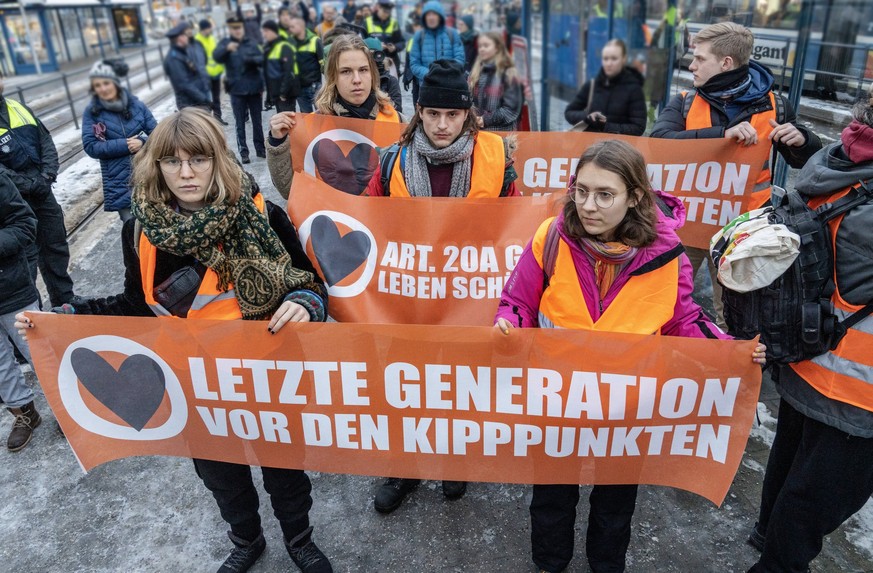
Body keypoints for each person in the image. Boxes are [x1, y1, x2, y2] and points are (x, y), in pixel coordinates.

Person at [15, 108, 332, 573]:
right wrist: (64, 316)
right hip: (195, 382)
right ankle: (246, 540)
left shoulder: (262, 215)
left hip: (268, 375)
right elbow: (135, 306)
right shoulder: (141, 232)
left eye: (198, 159)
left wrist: (305, 300)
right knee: (220, 474)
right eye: (172, 161)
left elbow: (312, 282)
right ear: (156, 167)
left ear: (217, 160)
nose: (186, 173)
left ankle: (299, 540)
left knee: (285, 468)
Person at [493, 139, 766, 573]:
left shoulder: (668, 256)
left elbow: (682, 321)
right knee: (551, 494)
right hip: (557, 399)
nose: (587, 205)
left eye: (604, 195)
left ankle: (606, 565)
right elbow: (519, 300)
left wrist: (729, 351)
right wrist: (508, 322)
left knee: (615, 500)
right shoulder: (551, 236)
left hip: (627, 405)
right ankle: (549, 563)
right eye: (580, 191)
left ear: (635, 196)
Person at [746, 88, 873, 573]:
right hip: (858, 390)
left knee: (790, 463)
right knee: (814, 499)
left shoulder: (841, 162)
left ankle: (765, 534)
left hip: (810, 351)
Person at [650, 22, 821, 329]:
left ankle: (720, 369)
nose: (692, 65)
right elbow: (660, 142)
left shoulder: (775, 106)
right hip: (689, 223)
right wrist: (721, 134)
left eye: (700, 58)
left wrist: (804, 140)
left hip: (743, 230)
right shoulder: (686, 101)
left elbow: (803, 161)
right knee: (665, 302)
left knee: (731, 312)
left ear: (726, 62)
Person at [266, 34, 401, 199]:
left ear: (372, 74)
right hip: (333, 222)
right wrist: (277, 143)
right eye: (346, 71)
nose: (357, 80)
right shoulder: (313, 126)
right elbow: (290, 190)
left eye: (363, 70)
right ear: (332, 77)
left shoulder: (397, 122)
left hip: (378, 222)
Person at [0, 70, 75, 307]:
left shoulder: (17, 107)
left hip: (43, 192)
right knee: (26, 258)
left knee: (56, 247)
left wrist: (47, 175)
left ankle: (65, 303)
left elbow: (46, 142)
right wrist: (30, 184)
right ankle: (34, 313)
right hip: (12, 203)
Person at [82, 60, 157, 223]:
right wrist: (125, 145)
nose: (103, 88)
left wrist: (142, 142)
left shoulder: (137, 105)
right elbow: (91, 146)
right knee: (132, 230)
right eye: (98, 85)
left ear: (115, 82)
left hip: (148, 176)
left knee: (155, 225)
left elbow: (159, 135)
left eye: (106, 83)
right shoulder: (92, 112)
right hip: (119, 181)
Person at [0, 173, 42, 452]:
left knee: (39, 352)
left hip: (11, 288)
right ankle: (24, 412)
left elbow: (25, 223)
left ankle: (70, 408)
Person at [564, 38, 646, 135]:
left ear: (624, 59)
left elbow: (638, 127)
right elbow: (569, 112)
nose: (609, 63)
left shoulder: (634, 89)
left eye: (614, 58)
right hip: (590, 146)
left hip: (617, 148)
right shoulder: (592, 85)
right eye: (605, 59)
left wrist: (606, 126)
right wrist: (587, 116)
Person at [214, 16, 266, 164]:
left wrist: (250, 59)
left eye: (239, 28)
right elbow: (216, 57)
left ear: (243, 29)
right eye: (234, 28)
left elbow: (262, 59)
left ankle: (260, 149)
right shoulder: (225, 43)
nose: (237, 31)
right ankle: (244, 152)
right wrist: (226, 49)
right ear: (230, 30)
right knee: (240, 123)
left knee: (257, 121)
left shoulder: (251, 43)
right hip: (237, 90)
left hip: (254, 89)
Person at [409, 0, 465, 103]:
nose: (431, 17)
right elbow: (414, 63)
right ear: (424, 17)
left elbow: (460, 59)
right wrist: (431, 73)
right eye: (428, 14)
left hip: (450, 86)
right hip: (427, 87)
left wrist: (446, 73)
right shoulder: (419, 36)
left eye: (434, 14)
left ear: (440, 16)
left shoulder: (451, 33)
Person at [469, 30, 523, 132]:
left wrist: (485, 120)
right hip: (478, 132)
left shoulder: (509, 73)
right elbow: (470, 100)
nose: (482, 49)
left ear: (497, 48)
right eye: (480, 46)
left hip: (501, 134)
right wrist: (473, 117)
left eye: (486, 45)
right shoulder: (476, 72)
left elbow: (510, 111)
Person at [164, 22, 212, 111]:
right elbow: (184, 84)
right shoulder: (174, 59)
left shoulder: (181, 53)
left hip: (196, 100)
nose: (187, 38)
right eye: (185, 36)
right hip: (190, 104)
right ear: (180, 38)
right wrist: (203, 99)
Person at [195, 19, 229, 126]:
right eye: (208, 28)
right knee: (206, 99)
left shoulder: (211, 38)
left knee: (216, 97)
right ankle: (208, 121)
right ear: (203, 29)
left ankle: (218, 117)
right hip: (204, 76)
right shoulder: (197, 41)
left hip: (216, 73)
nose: (210, 30)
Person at [262, 20, 300, 113]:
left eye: (266, 31)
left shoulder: (284, 46)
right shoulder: (270, 47)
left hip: (285, 95)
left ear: (273, 31)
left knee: (289, 121)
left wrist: (283, 93)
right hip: (276, 93)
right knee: (282, 121)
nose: (264, 34)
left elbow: (289, 72)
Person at [287, 16, 324, 113]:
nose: (290, 29)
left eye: (292, 27)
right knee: (306, 118)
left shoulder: (315, 41)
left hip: (315, 86)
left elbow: (323, 64)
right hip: (299, 88)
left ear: (301, 26)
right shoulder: (290, 42)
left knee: (321, 115)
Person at [365, 1, 404, 77]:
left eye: (388, 12)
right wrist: (376, 46)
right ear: (378, 8)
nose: (386, 14)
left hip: (391, 62)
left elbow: (401, 42)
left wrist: (395, 47)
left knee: (393, 86)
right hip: (373, 62)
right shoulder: (367, 22)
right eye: (384, 11)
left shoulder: (394, 23)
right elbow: (362, 42)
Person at [365, 37, 403, 113]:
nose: (372, 60)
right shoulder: (359, 79)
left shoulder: (390, 81)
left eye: (375, 54)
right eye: (369, 55)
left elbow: (397, 109)